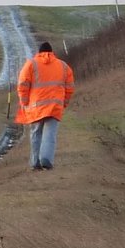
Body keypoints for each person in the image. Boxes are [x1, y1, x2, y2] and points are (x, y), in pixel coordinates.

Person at [15, 41, 75, 170]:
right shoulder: (63, 66)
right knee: (50, 134)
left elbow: (22, 84)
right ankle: (46, 160)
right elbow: (70, 87)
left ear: (39, 52)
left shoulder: (31, 64)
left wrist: (24, 101)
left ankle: (35, 163)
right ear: (52, 52)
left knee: (36, 133)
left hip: (35, 107)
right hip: (55, 106)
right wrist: (64, 102)